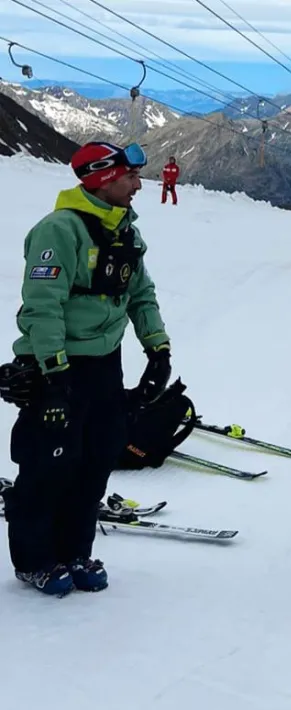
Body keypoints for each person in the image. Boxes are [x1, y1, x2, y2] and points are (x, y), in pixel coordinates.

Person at [0, 141, 172, 597]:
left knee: (95, 460)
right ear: (101, 179)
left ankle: (75, 550)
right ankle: (36, 560)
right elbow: (42, 306)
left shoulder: (125, 232)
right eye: (130, 177)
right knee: (48, 463)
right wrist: (53, 377)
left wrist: (158, 351)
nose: (138, 185)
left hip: (104, 366)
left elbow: (140, 295)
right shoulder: (59, 231)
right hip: (56, 365)